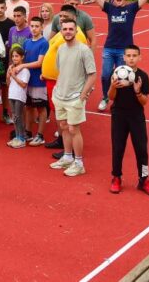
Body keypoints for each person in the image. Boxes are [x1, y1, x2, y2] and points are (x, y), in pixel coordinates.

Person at [87, 0, 149, 111]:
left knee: (121, 77)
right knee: (106, 75)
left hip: (124, 51)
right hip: (109, 48)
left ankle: (117, 101)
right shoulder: (110, 8)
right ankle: (105, 97)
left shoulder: (131, 9)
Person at [49, 18, 97, 177]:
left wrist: (83, 95)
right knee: (63, 126)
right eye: (65, 29)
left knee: (73, 129)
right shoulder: (61, 49)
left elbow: (92, 75)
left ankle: (79, 163)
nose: (68, 32)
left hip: (75, 97)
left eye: (71, 29)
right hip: (60, 95)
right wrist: (57, 90)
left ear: (76, 31)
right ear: (61, 31)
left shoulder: (84, 50)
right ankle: (67, 157)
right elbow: (61, 71)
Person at [108, 45, 149, 196]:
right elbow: (111, 97)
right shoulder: (116, 73)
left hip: (136, 116)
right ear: (123, 57)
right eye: (128, 55)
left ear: (139, 57)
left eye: (134, 56)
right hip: (119, 115)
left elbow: (144, 102)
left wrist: (137, 92)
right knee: (118, 148)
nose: (131, 58)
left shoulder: (143, 76)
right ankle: (116, 177)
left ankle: (144, 179)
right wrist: (113, 86)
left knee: (142, 150)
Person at [19, 16, 49, 146]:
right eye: (32, 26)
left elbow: (39, 62)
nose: (34, 29)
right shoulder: (26, 42)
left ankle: (40, 135)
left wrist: (22, 66)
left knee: (41, 108)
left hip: (38, 81)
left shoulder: (44, 43)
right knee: (29, 107)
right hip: (27, 80)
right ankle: (28, 132)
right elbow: (22, 59)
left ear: (42, 27)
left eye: (37, 26)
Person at [0, 0, 15, 124]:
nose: (0, 10)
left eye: (2, 8)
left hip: (5, 60)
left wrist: (11, 61)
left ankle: (5, 112)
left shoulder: (11, 24)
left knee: (5, 87)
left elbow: (11, 44)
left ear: (6, 8)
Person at [6, 46, 30, 148]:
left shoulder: (25, 70)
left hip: (19, 96)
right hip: (11, 94)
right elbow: (8, 83)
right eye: (13, 56)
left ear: (22, 57)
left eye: (17, 56)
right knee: (14, 117)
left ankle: (22, 138)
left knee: (18, 116)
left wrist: (14, 76)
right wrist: (8, 74)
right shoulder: (12, 68)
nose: (14, 58)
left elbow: (23, 84)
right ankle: (17, 136)